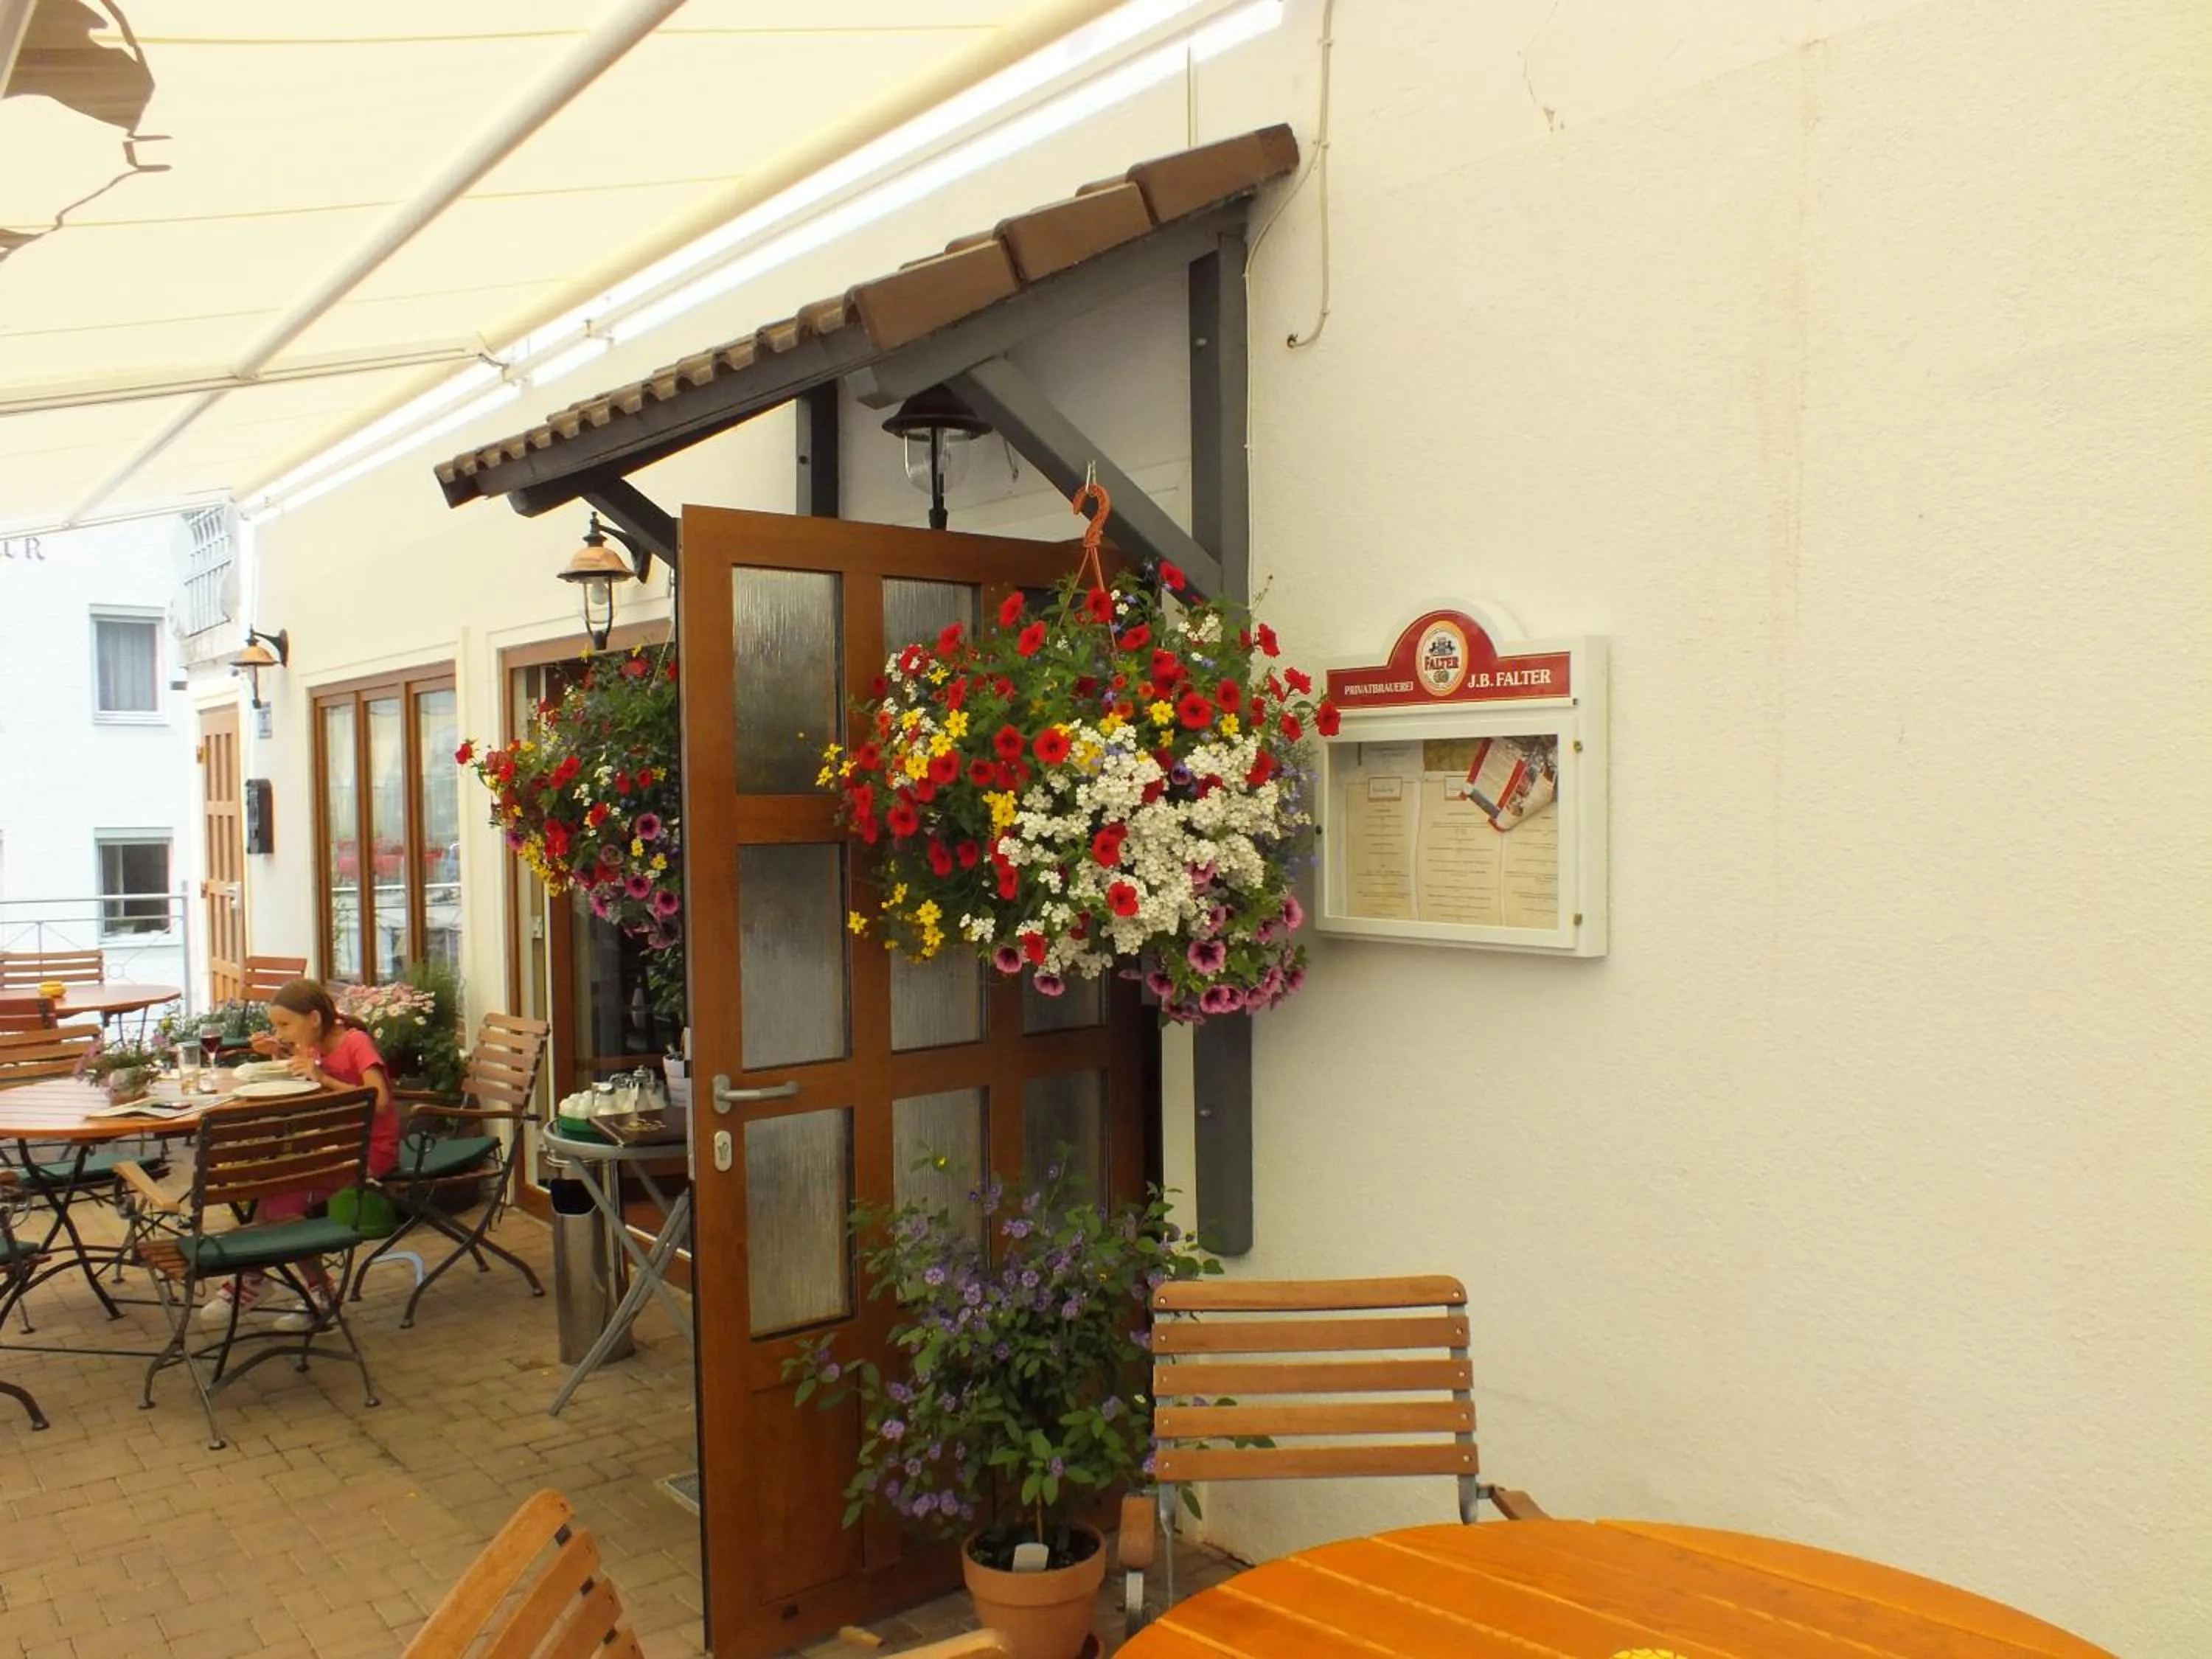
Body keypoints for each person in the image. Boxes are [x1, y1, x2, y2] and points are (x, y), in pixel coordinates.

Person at [198, 978, 397, 1332]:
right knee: (270, 1188)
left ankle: (300, 1290)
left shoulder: (355, 1042)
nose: (281, 1032)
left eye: (285, 1024)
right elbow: (311, 1082)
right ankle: (260, 1280)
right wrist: (280, 1054)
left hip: (369, 1152)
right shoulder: (316, 1044)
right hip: (331, 1147)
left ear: (315, 1018)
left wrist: (322, 1077)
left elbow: (379, 1100)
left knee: (281, 1202)